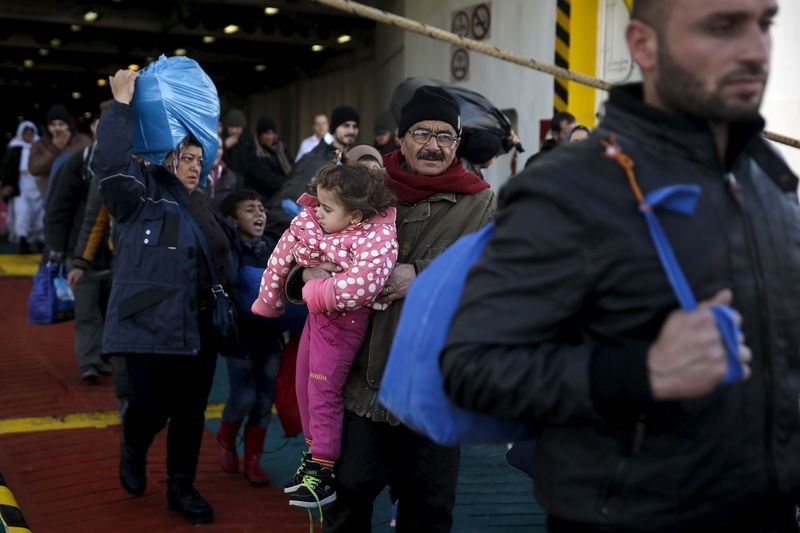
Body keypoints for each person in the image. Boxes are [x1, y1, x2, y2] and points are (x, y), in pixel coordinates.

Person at [441, 1, 799, 532]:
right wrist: (640, 372)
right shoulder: (569, 188)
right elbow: (473, 367)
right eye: (721, 26)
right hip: (628, 518)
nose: (754, 50)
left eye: (764, 24)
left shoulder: (770, 185)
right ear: (643, 45)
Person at [287, 85, 495, 532]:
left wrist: (419, 276)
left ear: (458, 144)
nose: (433, 146)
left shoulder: (480, 203)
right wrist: (305, 276)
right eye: (422, 132)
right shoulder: (365, 188)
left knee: (429, 510)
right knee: (347, 504)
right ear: (400, 138)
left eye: (446, 136)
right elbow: (303, 238)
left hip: (433, 391)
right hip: (361, 384)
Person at [95, 69, 232, 525]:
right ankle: (134, 444)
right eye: (185, 156)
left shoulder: (207, 205)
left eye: (199, 158)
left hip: (199, 326)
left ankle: (181, 486)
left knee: (191, 413)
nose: (195, 165)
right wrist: (121, 106)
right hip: (148, 324)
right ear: (164, 157)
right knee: (151, 405)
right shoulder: (139, 194)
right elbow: (110, 166)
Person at [252, 162, 397, 511]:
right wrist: (268, 302)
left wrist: (313, 288)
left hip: (344, 323)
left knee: (323, 390)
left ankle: (324, 470)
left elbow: (360, 287)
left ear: (354, 216)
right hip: (318, 320)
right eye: (317, 203)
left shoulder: (377, 238)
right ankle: (313, 455)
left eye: (326, 207)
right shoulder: (317, 224)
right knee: (303, 385)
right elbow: (279, 260)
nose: (316, 211)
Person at [215, 189, 283, 486]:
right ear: (232, 220)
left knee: (264, 399)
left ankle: (253, 458)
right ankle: (226, 440)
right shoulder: (228, 249)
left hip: (270, 335)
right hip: (240, 335)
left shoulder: (273, 246)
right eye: (249, 210)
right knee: (243, 397)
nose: (259, 214)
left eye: (261, 208)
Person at [44, 106, 113, 382]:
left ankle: (101, 354)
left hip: (113, 253)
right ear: (94, 128)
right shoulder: (78, 162)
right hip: (81, 250)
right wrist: (58, 248)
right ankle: (89, 361)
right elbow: (58, 208)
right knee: (86, 310)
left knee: (110, 308)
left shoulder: (130, 161)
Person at [265, 105, 360, 232]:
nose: (351, 131)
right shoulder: (314, 158)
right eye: (346, 126)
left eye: (354, 126)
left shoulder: (355, 159)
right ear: (334, 128)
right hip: (311, 230)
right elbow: (291, 194)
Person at [0, 121, 40, 253]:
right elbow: (6, 168)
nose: (29, 136)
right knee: (23, 212)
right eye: (26, 133)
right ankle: (23, 241)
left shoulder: (40, 147)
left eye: (31, 133)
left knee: (39, 214)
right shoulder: (14, 148)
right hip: (21, 185)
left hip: (38, 185)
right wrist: (7, 184)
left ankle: (40, 242)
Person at [204, 135, 241, 211]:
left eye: (219, 148)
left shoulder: (231, 177)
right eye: (212, 147)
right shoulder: (195, 173)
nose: (216, 151)